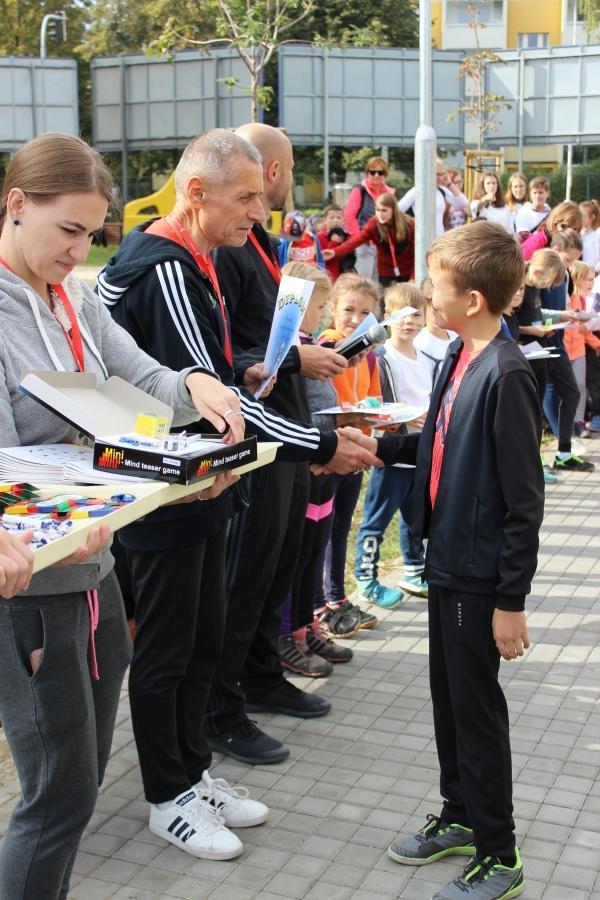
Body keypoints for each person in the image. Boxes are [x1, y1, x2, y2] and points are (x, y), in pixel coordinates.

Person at [100, 130, 364, 857]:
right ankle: (167, 797)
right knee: (168, 651)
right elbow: (205, 397)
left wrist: (243, 366)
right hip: (166, 494)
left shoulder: (199, 260)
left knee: (202, 641)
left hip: (204, 484)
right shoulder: (166, 267)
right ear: (196, 192)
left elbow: (209, 375)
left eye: (259, 194)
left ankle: (192, 776)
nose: (259, 210)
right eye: (245, 197)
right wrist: (320, 443)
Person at [0, 132, 244, 899]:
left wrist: (196, 389)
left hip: (95, 574)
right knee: (58, 797)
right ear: (15, 204)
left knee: (79, 784)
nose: (81, 251)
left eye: (92, 233)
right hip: (34, 589)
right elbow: (10, 473)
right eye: (68, 230)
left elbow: (140, 379)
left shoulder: (71, 297)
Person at [320, 220, 544, 900]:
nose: (423, 294)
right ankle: (461, 815)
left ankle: (499, 854)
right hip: (445, 561)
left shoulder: (506, 374)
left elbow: (523, 501)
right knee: (448, 700)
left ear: (471, 300)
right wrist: (377, 447)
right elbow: (439, 445)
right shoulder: (456, 356)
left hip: (480, 577)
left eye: (435, 285)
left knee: (475, 709)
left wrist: (510, 601)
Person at [206, 123, 378, 766]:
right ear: (272, 170)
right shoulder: (225, 248)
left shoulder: (259, 241)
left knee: (274, 565)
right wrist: (294, 360)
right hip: (260, 430)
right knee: (246, 573)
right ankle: (222, 707)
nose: (260, 203)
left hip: (285, 424)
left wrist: (297, 360)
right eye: (250, 192)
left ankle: (260, 674)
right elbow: (221, 355)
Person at [277, 261, 354, 675]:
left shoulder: (311, 346)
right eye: (320, 307)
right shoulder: (289, 351)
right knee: (297, 552)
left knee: (313, 548)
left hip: (325, 461)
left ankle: (306, 624)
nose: (324, 315)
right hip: (305, 461)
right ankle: (287, 633)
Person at [315, 273, 388, 627]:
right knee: (322, 531)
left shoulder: (369, 358)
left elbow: (373, 400)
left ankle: (337, 596)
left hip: (354, 453)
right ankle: (318, 605)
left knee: (341, 528)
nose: (356, 319)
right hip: (331, 452)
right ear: (331, 309)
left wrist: (374, 425)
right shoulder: (327, 347)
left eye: (365, 313)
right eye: (348, 310)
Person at [354, 283, 432, 608]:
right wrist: (409, 416)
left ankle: (414, 570)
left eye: (416, 314)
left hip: (420, 452)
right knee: (376, 520)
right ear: (387, 317)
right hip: (391, 452)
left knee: (416, 516)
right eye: (400, 314)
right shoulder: (382, 357)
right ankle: (365, 579)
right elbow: (377, 404)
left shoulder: (426, 358)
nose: (409, 321)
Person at [541, 230, 594, 472]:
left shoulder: (564, 277)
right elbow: (535, 311)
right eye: (568, 259)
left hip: (558, 342)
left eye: (574, 260)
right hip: (541, 345)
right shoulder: (540, 275)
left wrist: (570, 317)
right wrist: (559, 317)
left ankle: (564, 451)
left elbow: (558, 308)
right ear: (555, 251)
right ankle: (545, 453)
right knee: (541, 397)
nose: (570, 264)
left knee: (571, 393)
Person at [322, 192, 414, 286]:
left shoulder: (409, 224)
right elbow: (355, 241)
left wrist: (412, 278)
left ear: (393, 210)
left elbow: (417, 253)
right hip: (386, 272)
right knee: (385, 294)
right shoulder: (374, 223)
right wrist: (334, 252)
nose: (380, 214)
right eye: (377, 210)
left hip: (407, 271)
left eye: (384, 210)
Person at [343, 155, 395, 279]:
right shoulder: (359, 190)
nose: (376, 175)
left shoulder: (389, 193)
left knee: (380, 282)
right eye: (372, 172)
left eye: (380, 172)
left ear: (385, 174)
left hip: (384, 244)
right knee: (364, 281)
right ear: (367, 173)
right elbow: (349, 216)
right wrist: (359, 238)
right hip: (365, 243)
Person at [565, 260, 600, 437]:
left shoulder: (582, 300)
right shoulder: (565, 298)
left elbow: (583, 330)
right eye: (587, 279)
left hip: (579, 350)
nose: (591, 284)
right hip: (564, 350)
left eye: (592, 280)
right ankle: (564, 422)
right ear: (575, 279)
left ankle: (579, 421)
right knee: (566, 388)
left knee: (580, 385)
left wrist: (597, 344)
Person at [398, 158, 470, 237]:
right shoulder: (416, 191)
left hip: (439, 239)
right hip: (422, 238)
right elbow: (397, 210)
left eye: (443, 174)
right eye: (438, 174)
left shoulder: (442, 191)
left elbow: (464, 204)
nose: (441, 178)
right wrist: (412, 221)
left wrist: (449, 184)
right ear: (428, 172)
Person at [316, 204, 356, 281]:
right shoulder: (319, 237)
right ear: (325, 220)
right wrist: (333, 242)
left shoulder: (347, 237)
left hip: (343, 276)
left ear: (343, 220)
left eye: (339, 218)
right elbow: (321, 259)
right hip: (326, 276)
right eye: (332, 218)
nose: (336, 221)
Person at [579, 199, 600, 271]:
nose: (579, 218)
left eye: (583, 216)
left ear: (592, 217)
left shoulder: (598, 234)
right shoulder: (579, 234)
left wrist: (594, 271)